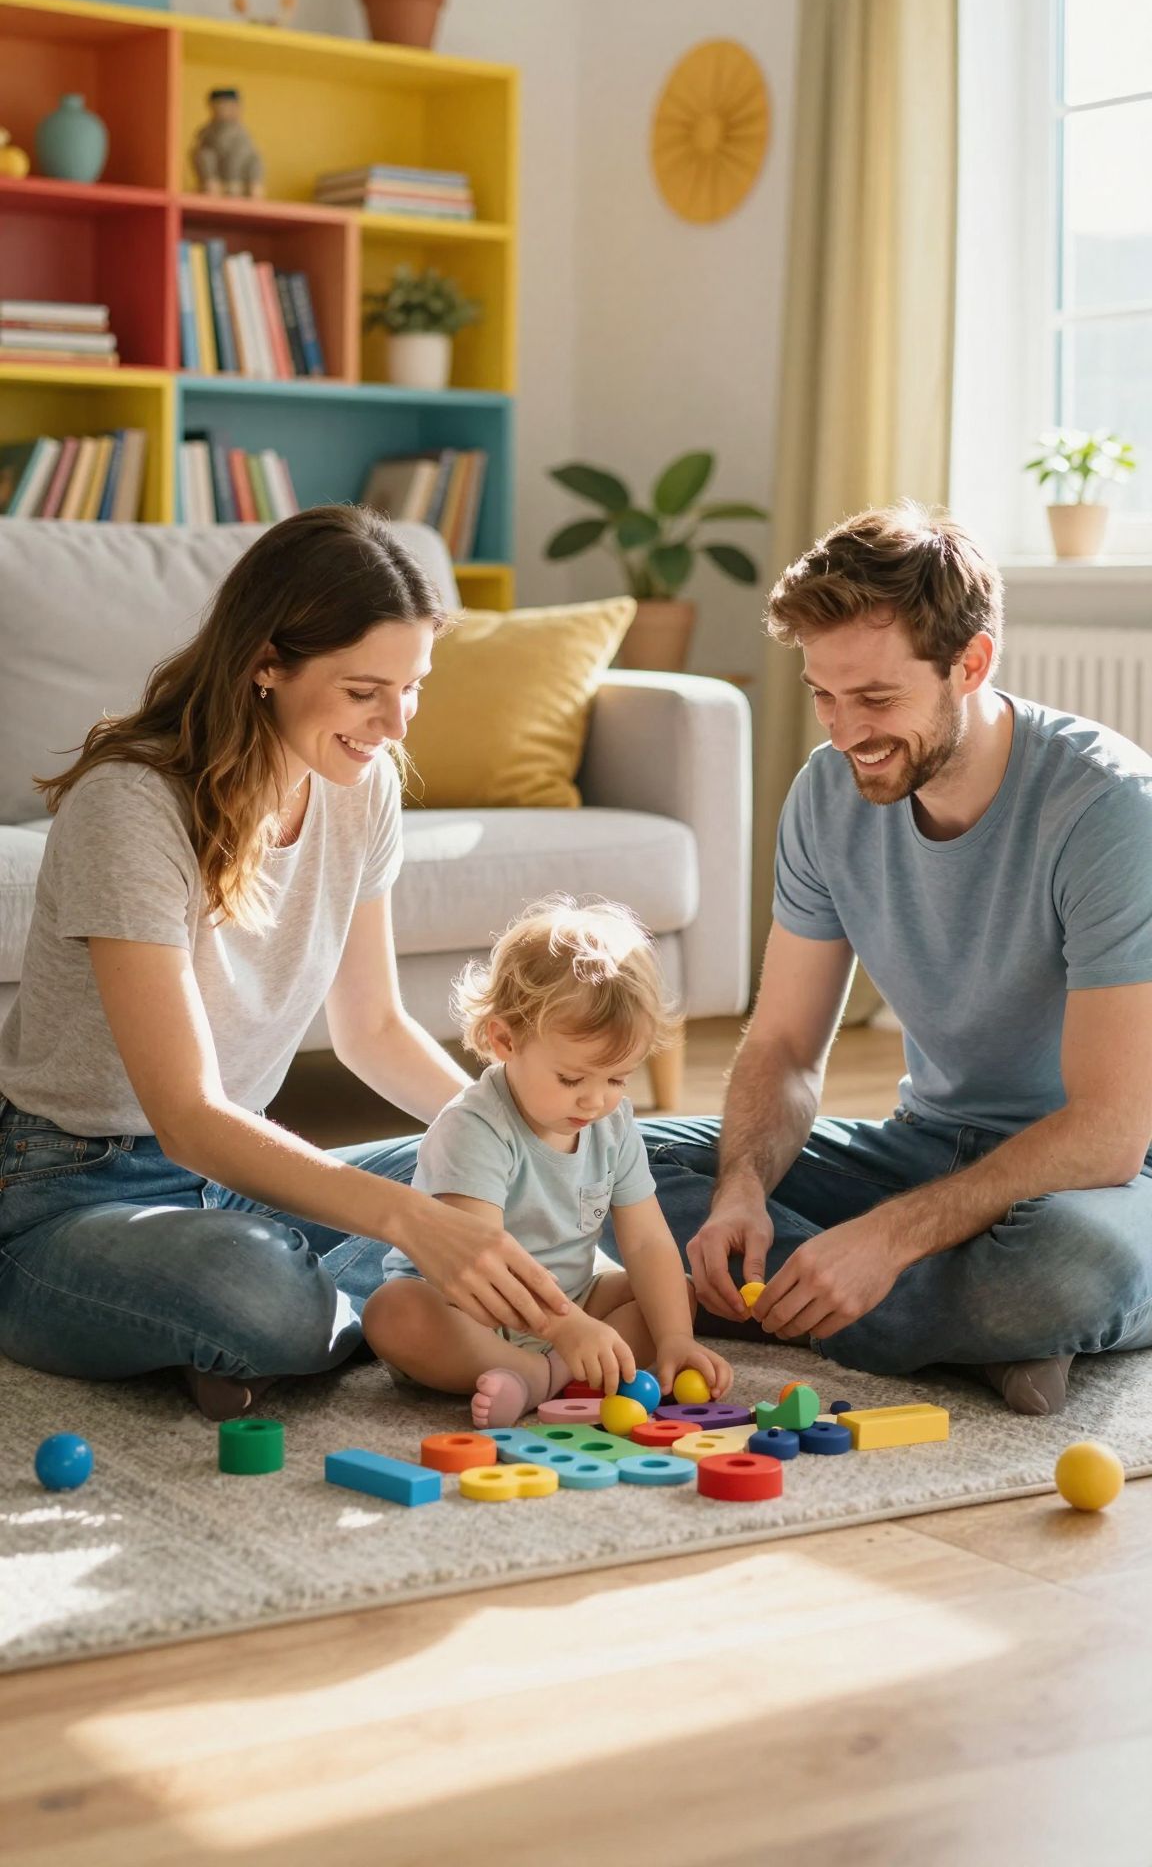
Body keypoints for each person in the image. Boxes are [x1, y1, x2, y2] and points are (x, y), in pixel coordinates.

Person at [0, 509, 567, 1421]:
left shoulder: (359, 784)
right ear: (266, 662)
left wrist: (515, 1136)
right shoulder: (132, 808)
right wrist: (416, 1224)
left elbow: (374, 1029)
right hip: (71, 1193)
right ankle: (349, 1312)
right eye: (363, 691)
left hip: (241, 1179)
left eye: (413, 686)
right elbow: (185, 1118)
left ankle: (286, 1329)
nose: (394, 723)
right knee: (258, 1290)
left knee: (557, 1194)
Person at [637, 503, 1152, 1416]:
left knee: (1068, 1268)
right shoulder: (826, 794)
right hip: (923, 1149)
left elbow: (1110, 1130)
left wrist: (887, 1239)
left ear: (973, 663)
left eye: (876, 699)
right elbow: (787, 1046)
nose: (845, 733)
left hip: (1102, 1182)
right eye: (824, 697)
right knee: (613, 1162)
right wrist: (743, 1191)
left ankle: (990, 1314)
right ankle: (981, 1338)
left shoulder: (1108, 809)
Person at [364, 898, 734, 1428]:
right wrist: (566, 1330)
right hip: (468, 1312)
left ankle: (547, 1375)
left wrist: (676, 1338)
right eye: (571, 1079)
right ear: (504, 1039)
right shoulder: (475, 1128)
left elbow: (648, 1240)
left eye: (617, 1079)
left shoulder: (612, 1122)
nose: (595, 1101)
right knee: (393, 1311)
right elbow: (483, 1267)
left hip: (572, 1303)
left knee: (671, 1291)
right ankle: (531, 1372)